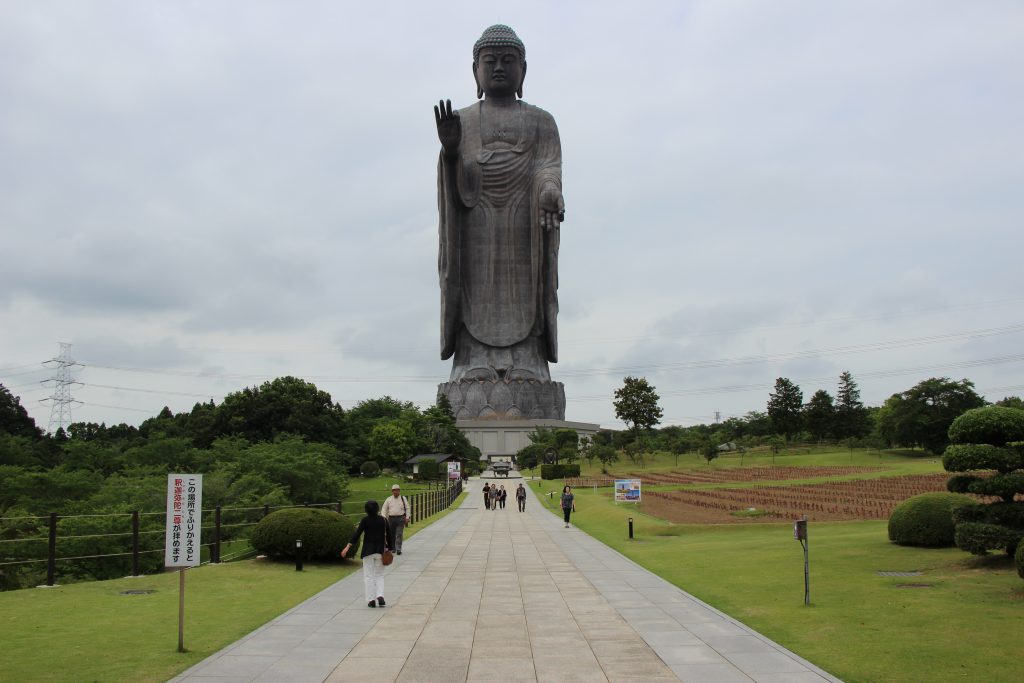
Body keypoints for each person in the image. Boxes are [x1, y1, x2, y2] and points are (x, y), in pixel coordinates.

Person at [435, 25, 565, 390]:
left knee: (529, 284)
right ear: (474, 69)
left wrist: (550, 191)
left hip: (524, 227)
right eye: (489, 61)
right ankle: (472, 362)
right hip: (476, 223)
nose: (498, 68)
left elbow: (547, 167)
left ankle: (529, 362)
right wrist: (450, 152)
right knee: (473, 286)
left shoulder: (542, 122)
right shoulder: (462, 120)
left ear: (524, 69)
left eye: (508, 61)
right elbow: (454, 182)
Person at [341, 499, 393, 608]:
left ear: (366, 510)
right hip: (380, 551)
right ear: (377, 509)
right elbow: (389, 535)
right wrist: (390, 549)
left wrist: (347, 547)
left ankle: (371, 600)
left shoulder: (365, 520)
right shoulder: (383, 520)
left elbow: (357, 534)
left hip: (368, 551)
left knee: (369, 576)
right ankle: (380, 596)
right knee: (379, 575)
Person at [380, 484, 410, 555]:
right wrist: (384, 517)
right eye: (395, 490)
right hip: (391, 519)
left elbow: (407, 508)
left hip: (401, 518)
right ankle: (393, 548)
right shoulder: (389, 499)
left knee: (399, 533)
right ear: (392, 491)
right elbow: (384, 508)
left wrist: (407, 517)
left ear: (399, 491)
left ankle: (398, 548)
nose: (396, 492)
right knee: (391, 534)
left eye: (397, 490)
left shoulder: (403, 498)